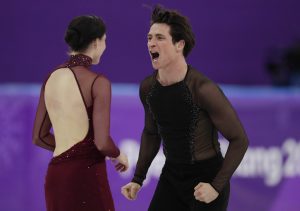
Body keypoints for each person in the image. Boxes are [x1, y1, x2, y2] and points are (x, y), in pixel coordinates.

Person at [121, 5, 249, 211]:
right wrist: (138, 178)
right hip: (171, 175)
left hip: (207, 178)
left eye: (160, 38)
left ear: (179, 44)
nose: (151, 43)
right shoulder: (148, 88)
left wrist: (216, 187)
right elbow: (152, 133)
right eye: (149, 37)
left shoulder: (203, 89)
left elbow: (240, 139)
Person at [32, 15, 128, 211]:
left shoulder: (51, 78)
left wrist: (71, 151)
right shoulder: (97, 82)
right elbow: (102, 142)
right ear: (96, 42)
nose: (105, 46)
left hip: (56, 177)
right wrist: (118, 155)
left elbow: (39, 137)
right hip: (86, 175)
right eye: (105, 40)